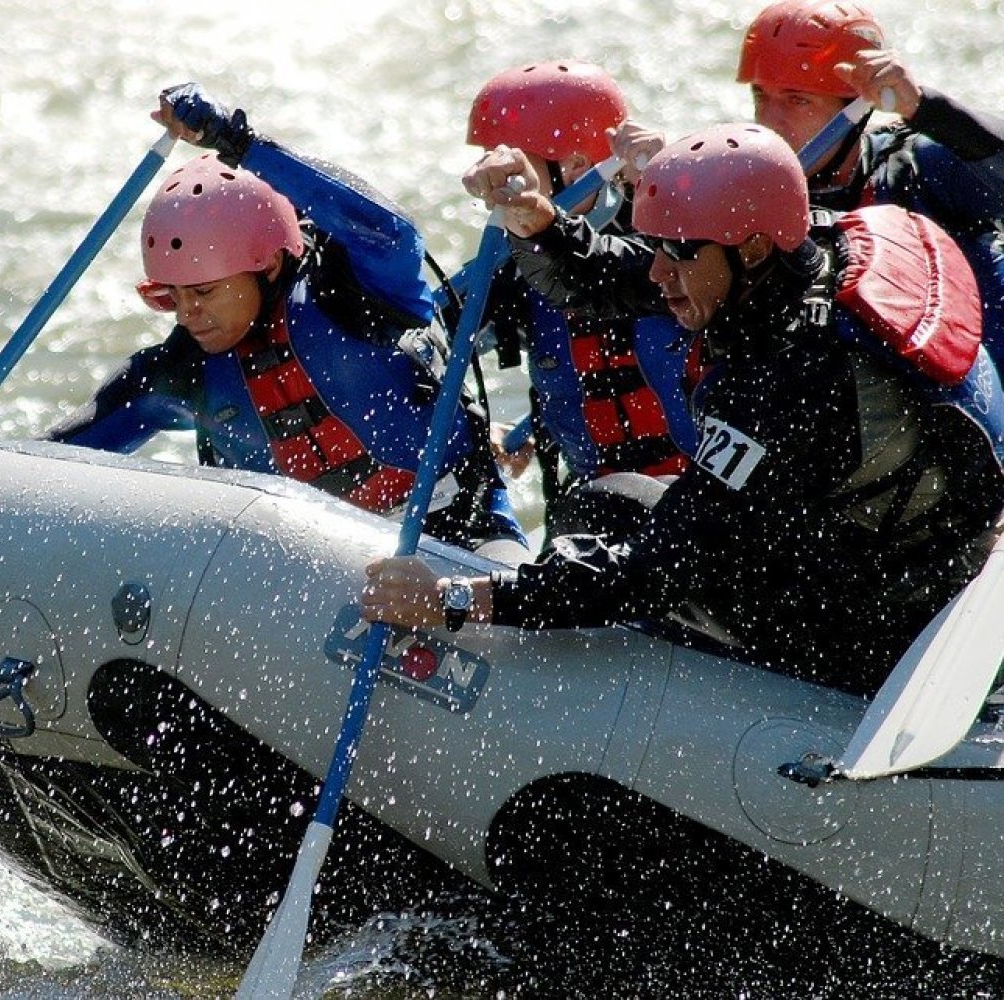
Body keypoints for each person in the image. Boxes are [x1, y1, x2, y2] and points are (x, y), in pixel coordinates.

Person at [362, 123, 1004, 695]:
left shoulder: (787, 382)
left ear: (749, 249)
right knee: (606, 499)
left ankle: (615, 712)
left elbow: (651, 573)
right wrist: (540, 221)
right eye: (661, 248)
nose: (661, 274)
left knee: (604, 517)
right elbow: (626, 276)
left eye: (678, 253)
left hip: (876, 626)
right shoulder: (825, 243)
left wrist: (455, 600)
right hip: (919, 555)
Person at [0, 84, 528, 570]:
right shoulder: (179, 373)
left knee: (517, 602)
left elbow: (384, 223)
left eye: (204, 292)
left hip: (457, 538)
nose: (188, 313)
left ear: (265, 268)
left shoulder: (365, 298)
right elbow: (38, 467)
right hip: (316, 575)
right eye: (170, 297)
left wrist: (238, 141)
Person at [459, 60, 699, 539]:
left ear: (575, 166)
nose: (495, 182)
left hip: (703, 506)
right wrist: (482, 426)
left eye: (513, 165)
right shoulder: (515, 263)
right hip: (598, 517)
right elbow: (430, 329)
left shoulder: (681, 241)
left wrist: (676, 188)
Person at [736, 0, 1004, 363]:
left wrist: (925, 108)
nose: (769, 121)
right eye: (761, 96)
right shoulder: (742, 197)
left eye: (796, 100)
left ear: (855, 108)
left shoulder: (919, 167)